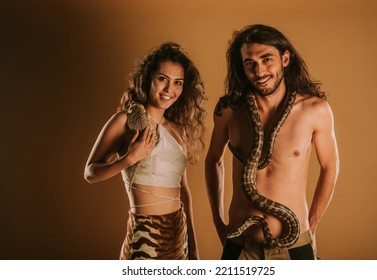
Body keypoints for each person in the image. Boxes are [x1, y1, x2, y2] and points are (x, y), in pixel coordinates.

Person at [205, 24, 339, 260]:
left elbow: (330, 166)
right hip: (240, 242)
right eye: (250, 63)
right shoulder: (229, 110)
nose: (259, 71)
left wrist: (312, 225)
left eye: (267, 59)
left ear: (285, 58)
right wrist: (218, 221)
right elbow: (213, 160)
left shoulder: (314, 109)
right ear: (242, 67)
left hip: (295, 243)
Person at [84, 42, 206, 260]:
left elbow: (184, 191)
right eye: (163, 79)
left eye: (178, 82)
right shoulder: (125, 121)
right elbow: (90, 173)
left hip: (179, 234)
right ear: (149, 78)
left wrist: (194, 247)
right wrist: (129, 159)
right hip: (146, 233)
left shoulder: (180, 131)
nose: (170, 89)